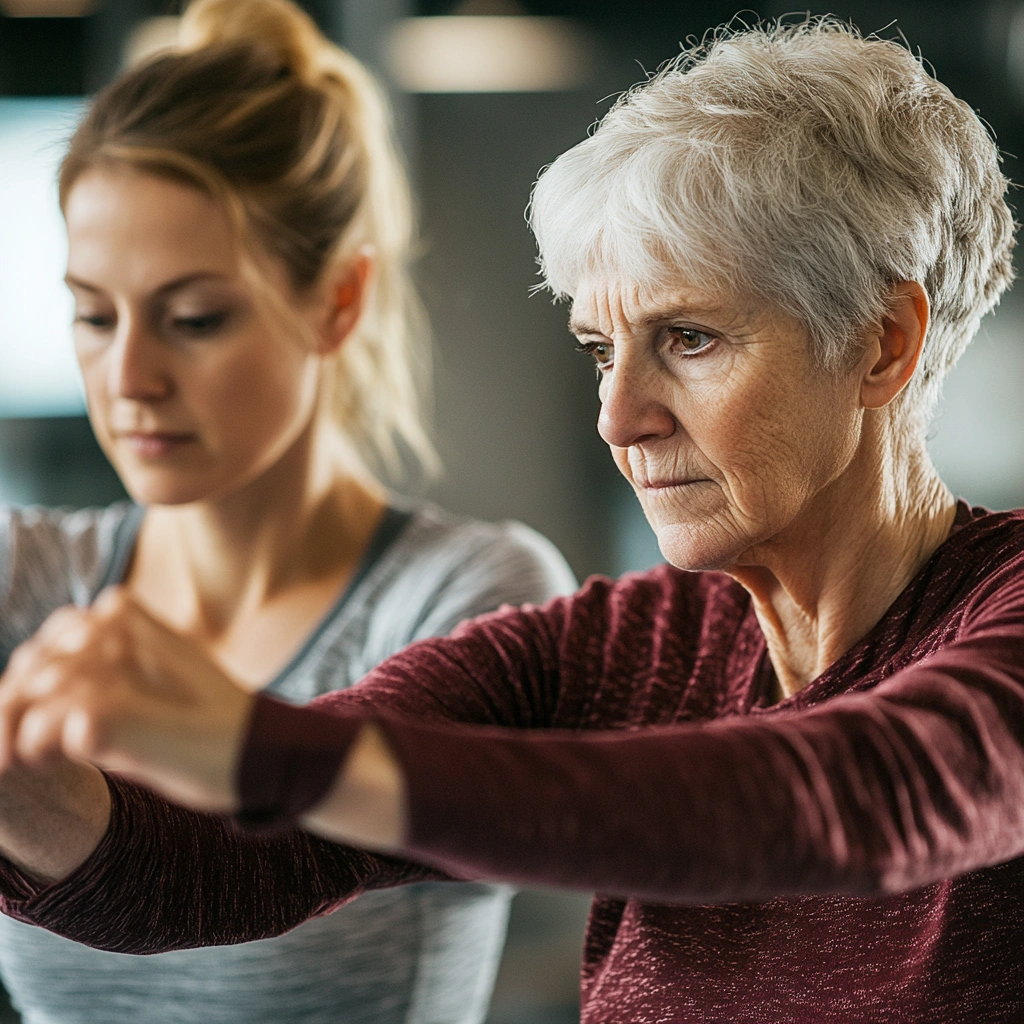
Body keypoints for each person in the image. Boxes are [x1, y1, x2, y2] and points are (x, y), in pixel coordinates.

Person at [1, 16, 1023, 1024]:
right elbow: (212, 862)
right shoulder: (616, 652)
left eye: (690, 337)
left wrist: (258, 748)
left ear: (881, 343)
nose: (618, 416)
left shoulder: (1003, 612)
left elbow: (860, 797)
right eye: (597, 348)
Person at [0, 1, 576, 1023]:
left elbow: (219, 866)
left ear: (337, 300)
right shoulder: (24, 576)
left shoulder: (472, 597)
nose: (128, 376)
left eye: (194, 318)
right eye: (93, 314)